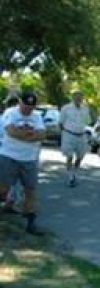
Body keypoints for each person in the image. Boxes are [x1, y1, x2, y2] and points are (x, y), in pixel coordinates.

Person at [0, 91, 46, 235]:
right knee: (3, 188)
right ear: (20, 102)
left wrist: (23, 134)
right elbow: (11, 131)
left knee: (30, 191)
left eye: (31, 107)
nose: (28, 110)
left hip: (29, 159)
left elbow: (42, 134)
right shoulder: (10, 113)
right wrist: (31, 135)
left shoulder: (37, 116)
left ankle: (30, 223)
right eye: (26, 106)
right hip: (9, 156)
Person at [59, 90, 92, 187]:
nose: (79, 99)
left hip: (81, 135)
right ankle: (70, 176)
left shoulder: (85, 109)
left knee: (80, 156)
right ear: (73, 97)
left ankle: (75, 172)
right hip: (69, 134)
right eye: (77, 97)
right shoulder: (66, 108)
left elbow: (88, 122)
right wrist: (64, 134)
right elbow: (60, 123)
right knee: (69, 156)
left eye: (80, 97)